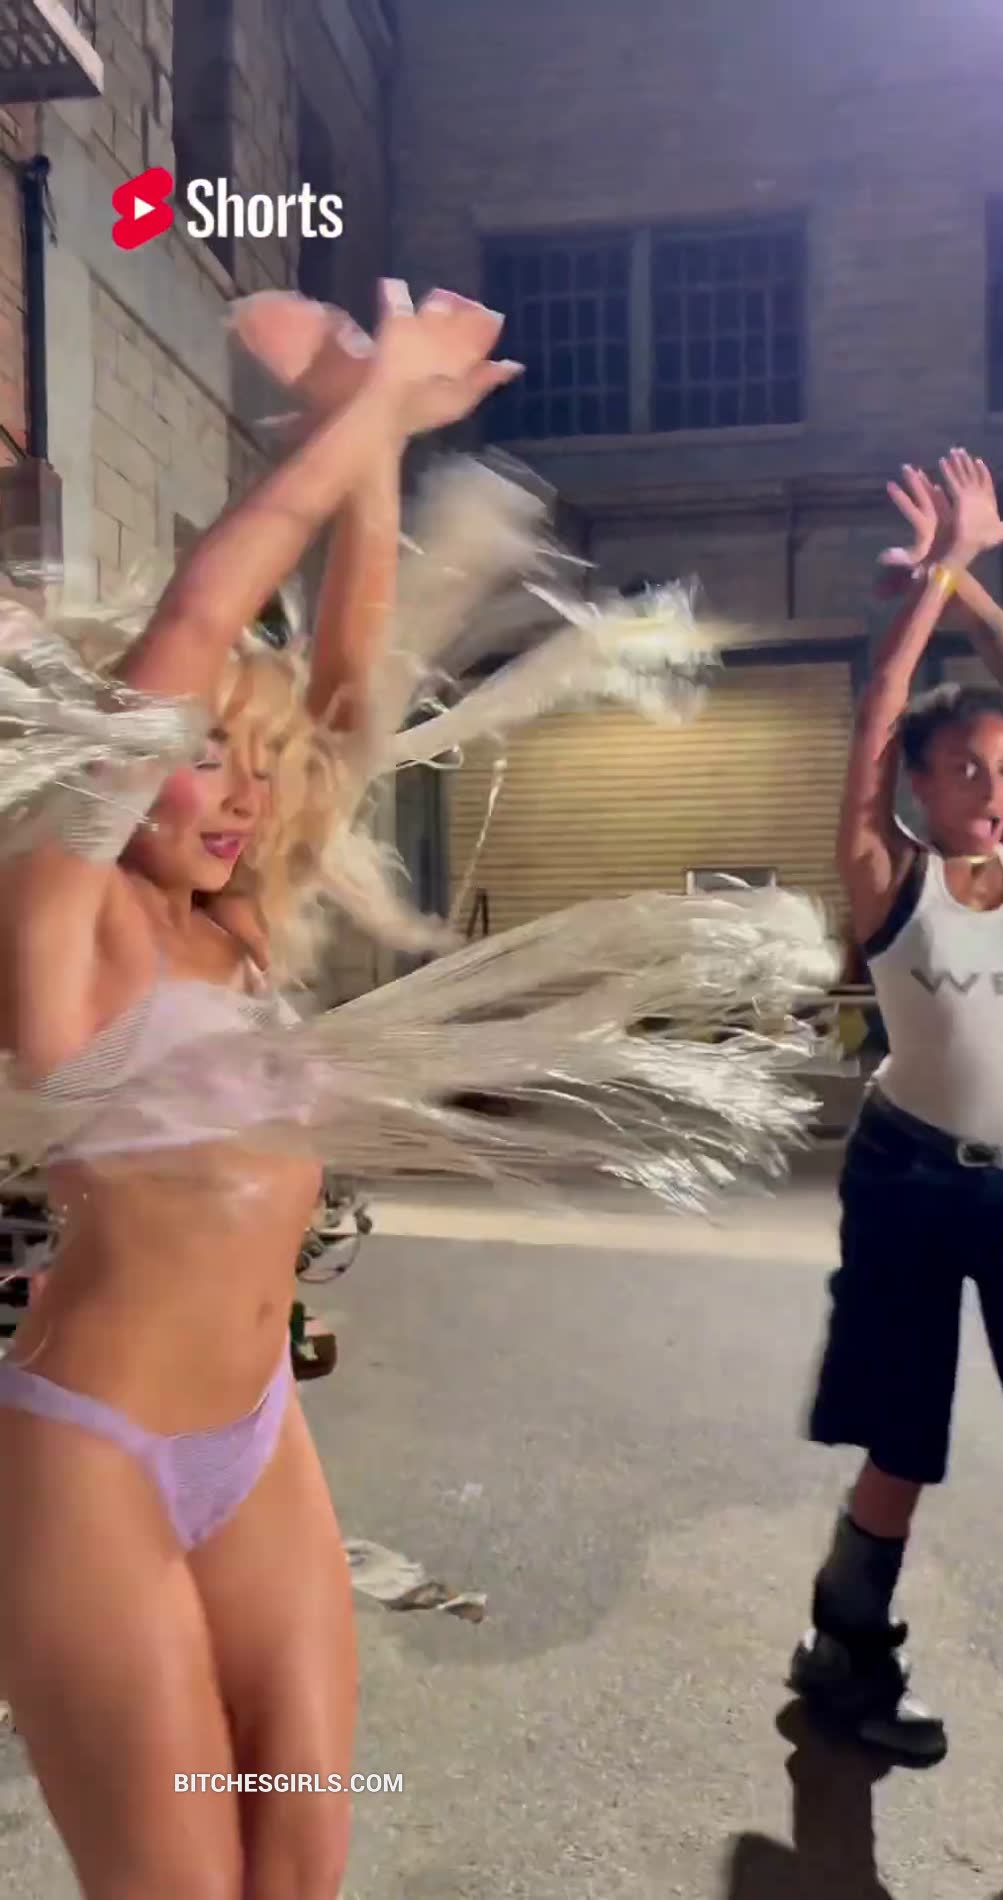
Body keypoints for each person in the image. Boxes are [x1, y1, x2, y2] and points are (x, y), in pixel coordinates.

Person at [0, 282, 520, 1900]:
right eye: (201, 756)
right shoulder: (63, 921)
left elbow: (347, 689)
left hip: (256, 1438)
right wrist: (351, 429)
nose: (241, 798)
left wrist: (369, 439)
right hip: (91, 1465)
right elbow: (199, 619)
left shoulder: (233, 931)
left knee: (298, 1857)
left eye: (256, 763)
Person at [790, 450, 1003, 1762]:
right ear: (917, 782)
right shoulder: (884, 874)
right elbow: (876, 710)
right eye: (962, 768)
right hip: (907, 1182)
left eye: (1002, 769)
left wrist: (965, 576)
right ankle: (847, 1658)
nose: (991, 787)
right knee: (901, 1439)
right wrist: (926, 590)